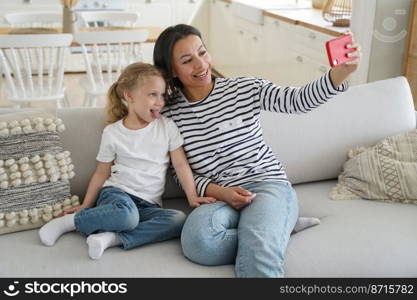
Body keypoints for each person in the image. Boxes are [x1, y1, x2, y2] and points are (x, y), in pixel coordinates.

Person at [153, 24, 361, 277]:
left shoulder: (244, 88)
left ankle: (269, 230)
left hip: (266, 186)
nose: (200, 64)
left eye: (202, 52)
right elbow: (180, 172)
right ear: (171, 70)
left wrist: (339, 74)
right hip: (219, 198)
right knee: (200, 242)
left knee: (258, 247)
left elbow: (297, 101)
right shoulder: (170, 115)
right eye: (187, 60)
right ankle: (277, 228)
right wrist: (223, 193)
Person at [39, 62, 215, 259]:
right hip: (117, 195)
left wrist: (191, 195)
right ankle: (70, 222)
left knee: (178, 219)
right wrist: (86, 204)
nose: (160, 102)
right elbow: (102, 172)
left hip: (149, 205)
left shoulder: (167, 127)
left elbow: (181, 164)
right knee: (126, 216)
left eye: (162, 95)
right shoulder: (113, 132)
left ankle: (111, 238)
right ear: (129, 96)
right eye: (152, 94)